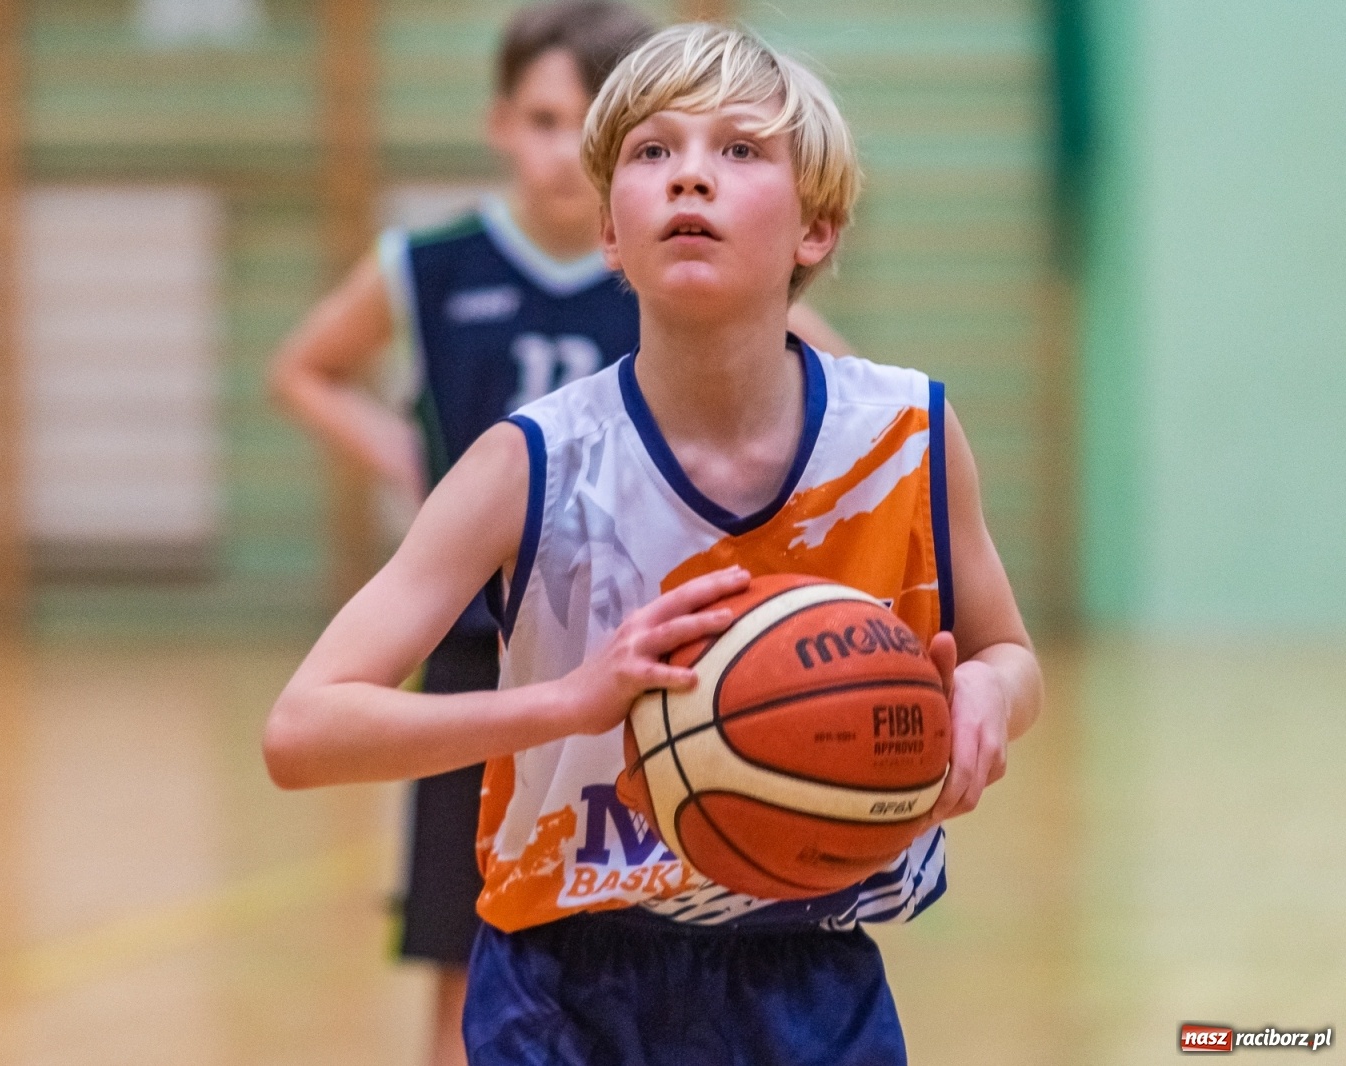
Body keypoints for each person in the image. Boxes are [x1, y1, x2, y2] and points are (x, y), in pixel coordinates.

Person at [267, 21, 1040, 1065]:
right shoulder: (526, 463)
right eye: (652, 150)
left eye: (739, 148)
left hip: (810, 972)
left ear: (816, 227)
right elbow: (302, 730)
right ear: (608, 232)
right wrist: (568, 702)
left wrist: (988, 695)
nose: (690, 175)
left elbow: (1009, 654)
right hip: (565, 989)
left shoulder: (906, 435)